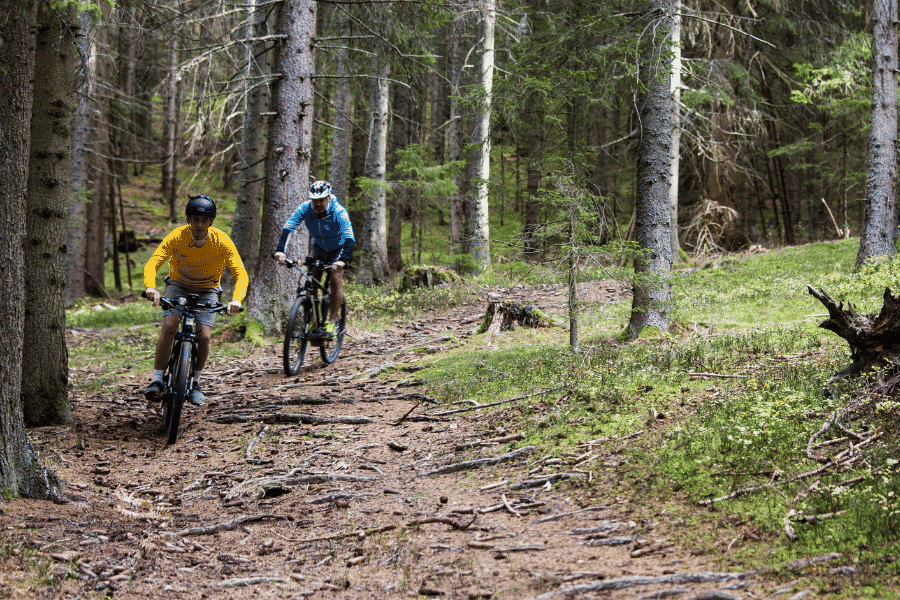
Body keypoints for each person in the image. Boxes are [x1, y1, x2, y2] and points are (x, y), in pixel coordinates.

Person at [142, 195, 249, 406]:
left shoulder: (222, 240)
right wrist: (151, 287)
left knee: (204, 336)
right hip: (178, 285)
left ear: (211, 221)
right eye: (195, 219)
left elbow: (241, 274)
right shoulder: (177, 236)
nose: (199, 224)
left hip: (207, 289)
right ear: (188, 219)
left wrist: (236, 300)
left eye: (204, 220)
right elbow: (154, 262)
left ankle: (195, 382)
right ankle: (156, 380)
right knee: (170, 325)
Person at [273, 180, 355, 339]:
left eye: (321, 200)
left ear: (329, 198)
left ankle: (331, 322)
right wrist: (280, 251)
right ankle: (314, 320)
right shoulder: (305, 208)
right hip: (318, 248)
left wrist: (342, 261)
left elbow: (349, 238)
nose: (317, 203)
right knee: (311, 282)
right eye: (314, 199)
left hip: (338, 249)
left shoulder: (339, 212)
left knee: (335, 279)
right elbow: (289, 227)